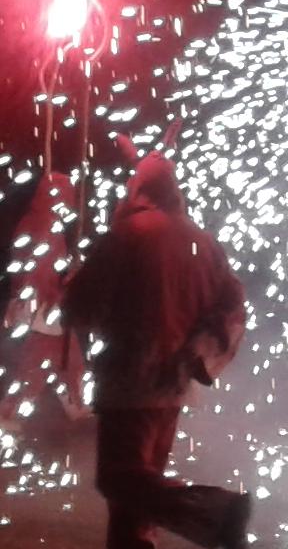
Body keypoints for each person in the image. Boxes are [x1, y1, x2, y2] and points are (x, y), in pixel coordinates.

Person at [63, 152, 250, 549]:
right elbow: (232, 305)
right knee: (134, 498)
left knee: (118, 478)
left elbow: (82, 308)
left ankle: (215, 512)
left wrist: (73, 283)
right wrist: (199, 353)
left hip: (130, 380)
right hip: (175, 383)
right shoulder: (202, 240)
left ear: (140, 191)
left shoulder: (128, 235)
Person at [0, 171, 87, 426]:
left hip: (39, 307)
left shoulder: (41, 222)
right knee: (40, 366)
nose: (71, 200)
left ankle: (75, 403)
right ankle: (11, 415)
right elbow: (38, 269)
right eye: (67, 193)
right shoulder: (43, 226)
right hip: (40, 308)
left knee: (56, 360)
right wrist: (59, 292)